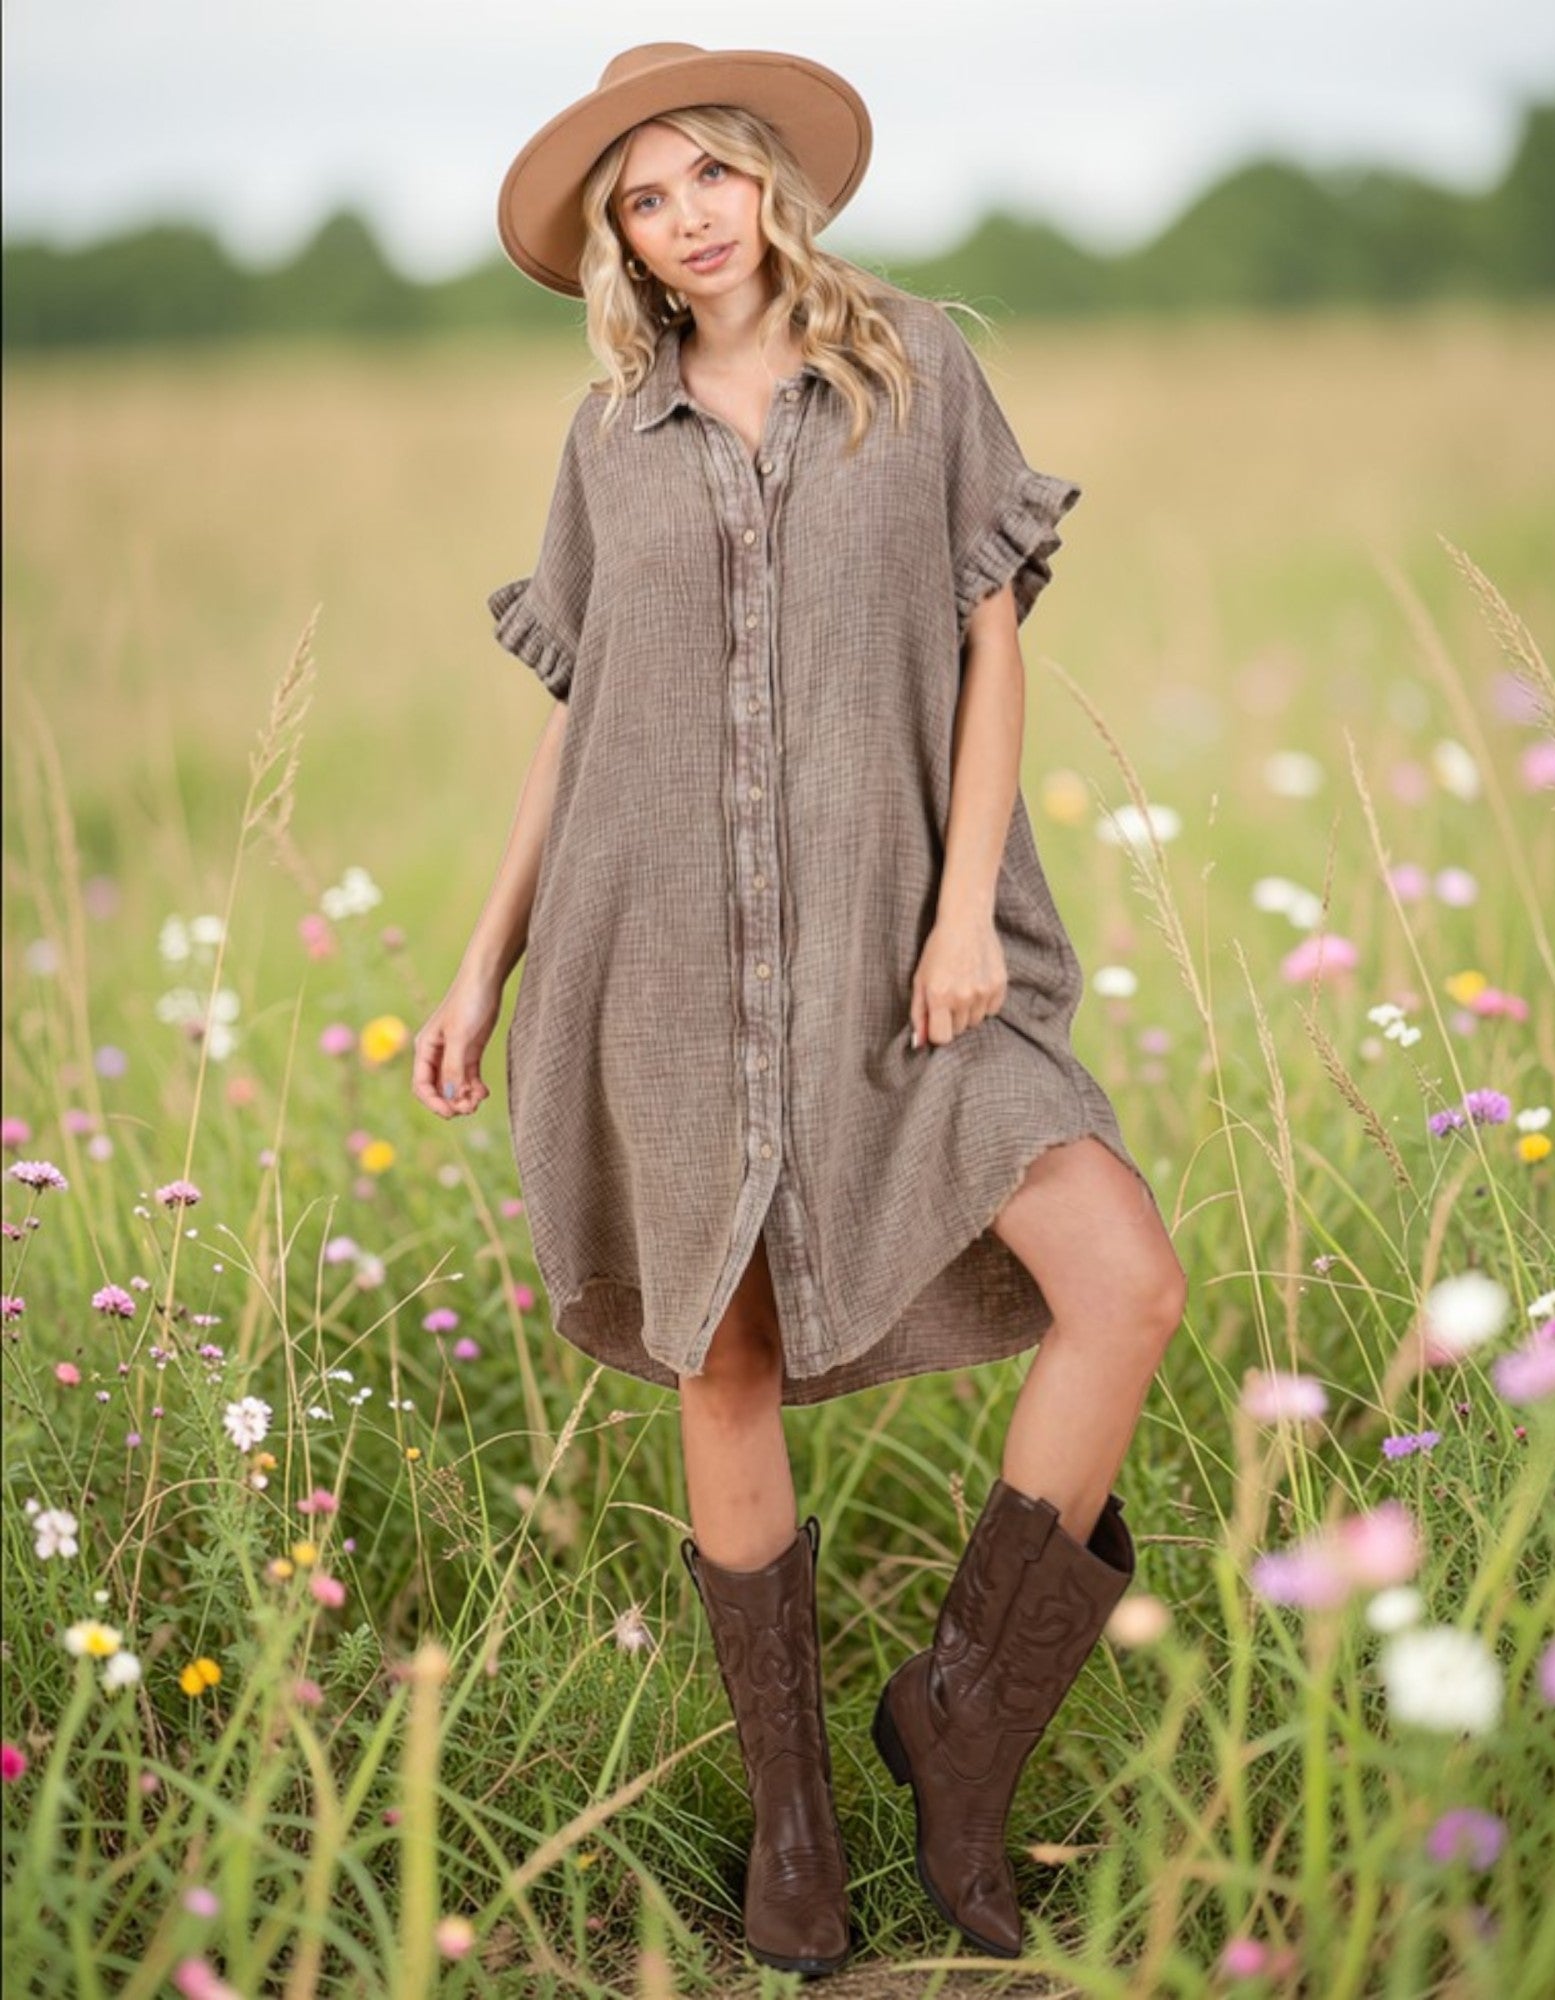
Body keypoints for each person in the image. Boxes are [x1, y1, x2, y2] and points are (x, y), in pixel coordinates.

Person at [412, 41, 1188, 1980]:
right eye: (642, 202)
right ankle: (791, 1818)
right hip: (658, 956)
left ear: (769, 180)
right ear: (622, 244)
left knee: (1123, 1279)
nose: (683, 222)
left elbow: (985, 653)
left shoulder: (912, 367)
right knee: (724, 1356)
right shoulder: (610, 442)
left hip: (902, 950)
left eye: (703, 178)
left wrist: (957, 914)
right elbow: (576, 729)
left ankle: (956, 1722)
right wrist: (479, 959)